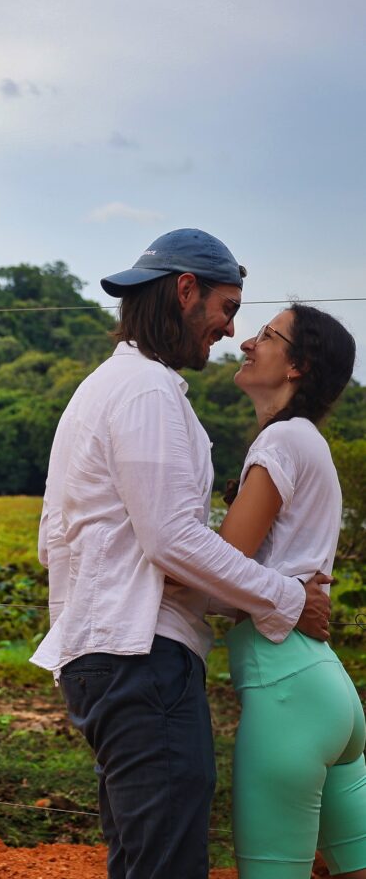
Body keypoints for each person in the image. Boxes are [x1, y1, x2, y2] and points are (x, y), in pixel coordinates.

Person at [30, 228, 331, 879]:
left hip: (106, 653)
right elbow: (171, 540)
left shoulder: (103, 389)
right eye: (226, 309)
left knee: (144, 859)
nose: (227, 332)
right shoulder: (147, 392)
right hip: (143, 661)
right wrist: (286, 597)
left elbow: (52, 540)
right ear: (185, 291)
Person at [216, 304, 365, 878]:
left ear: (298, 365)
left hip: (286, 693)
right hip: (328, 692)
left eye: (266, 335)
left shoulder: (280, 443)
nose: (248, 342)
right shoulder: (309, 442)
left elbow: (218, 567)